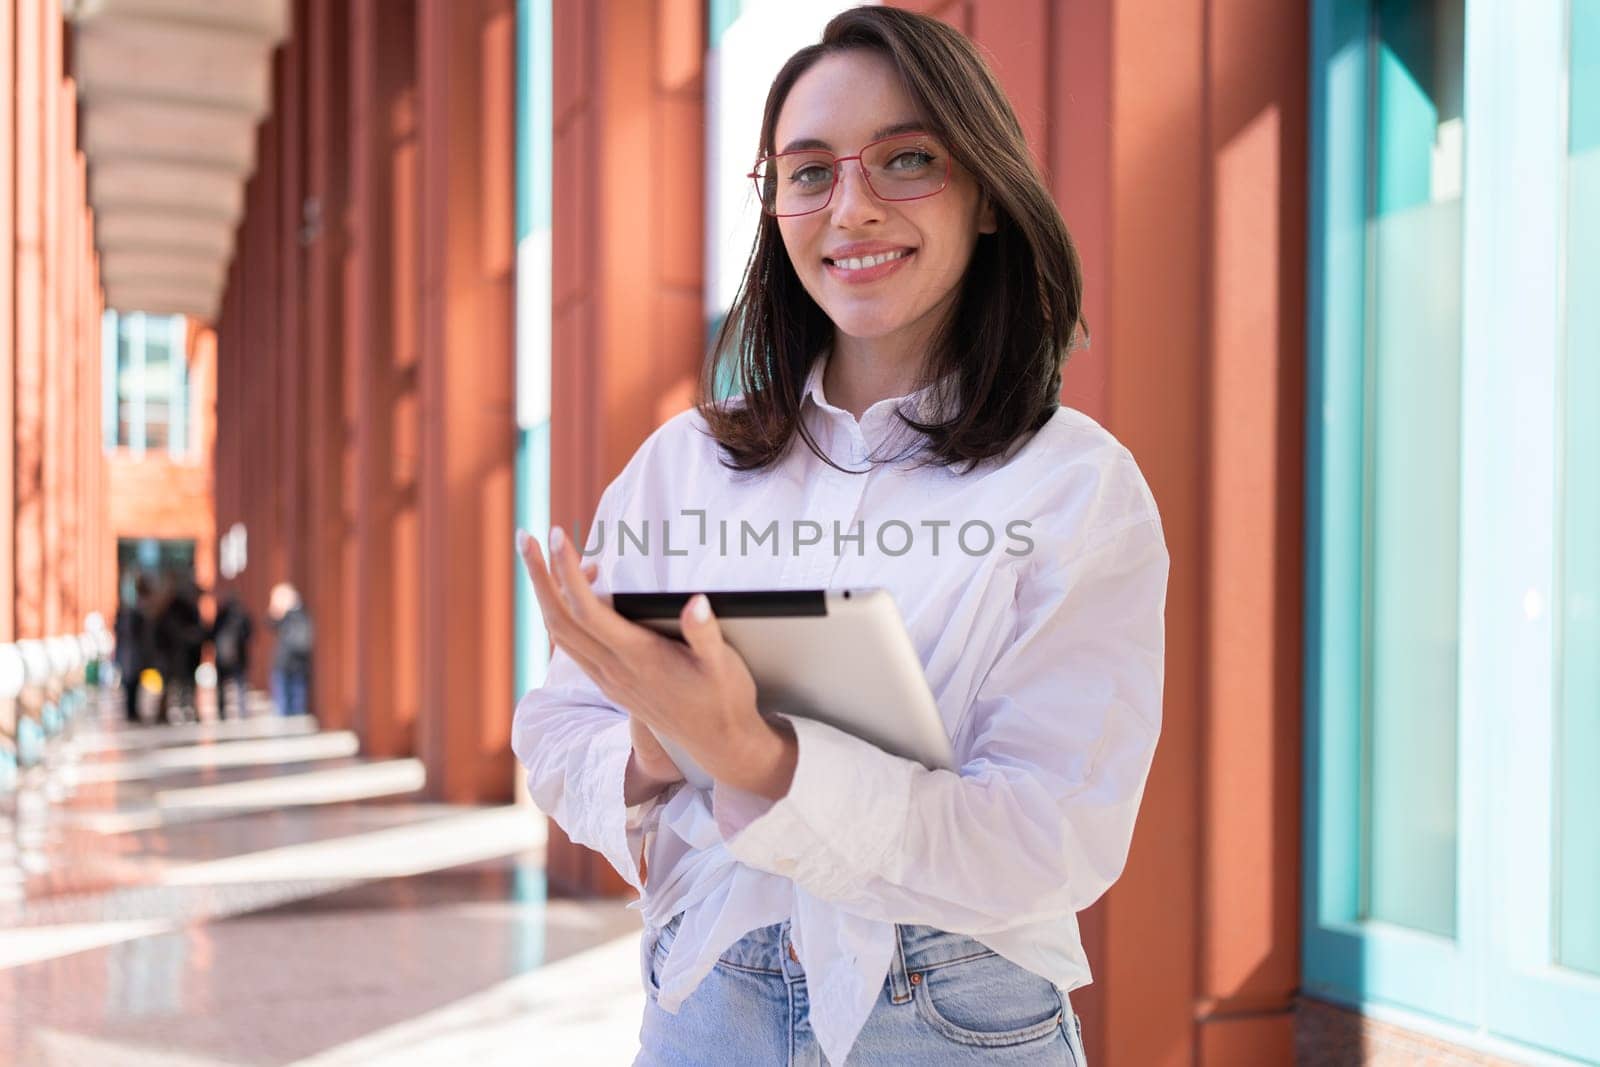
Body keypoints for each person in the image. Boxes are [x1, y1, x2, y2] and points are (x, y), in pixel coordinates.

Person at [513, 8, 1168, 1065]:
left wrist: (759, 759)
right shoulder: (685, 463)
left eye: (906, 160)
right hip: (705, 1005)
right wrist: (650, 742)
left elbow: (1058, 833)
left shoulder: (1074, 486)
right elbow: (551, 731)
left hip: (956, 1018)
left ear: (987, 193)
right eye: (808, 172)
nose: (850, 208)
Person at [113, 573, 156, 724]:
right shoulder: (133, 612)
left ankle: (132, 710)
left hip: (133, 654)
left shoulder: (139, 612)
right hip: (131, 654)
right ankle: (131, 711)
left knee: (134, 683)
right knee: (130, 683)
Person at [267, 582, 313, 716]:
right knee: (285, 702)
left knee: (293, 702)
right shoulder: (290, 616)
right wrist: (275, 610)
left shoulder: (298, 615)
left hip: (295, 663)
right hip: (285, 663)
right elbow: (270, 623)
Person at [210, 592, 254, 720]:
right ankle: (242, 710)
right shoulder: (241, 616)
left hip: (223, 657)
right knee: (240, 684)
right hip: (238, 656)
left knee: (223, 686)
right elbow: (249, 634)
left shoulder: (221, 617)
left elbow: (211, 635)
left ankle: (222, 710)